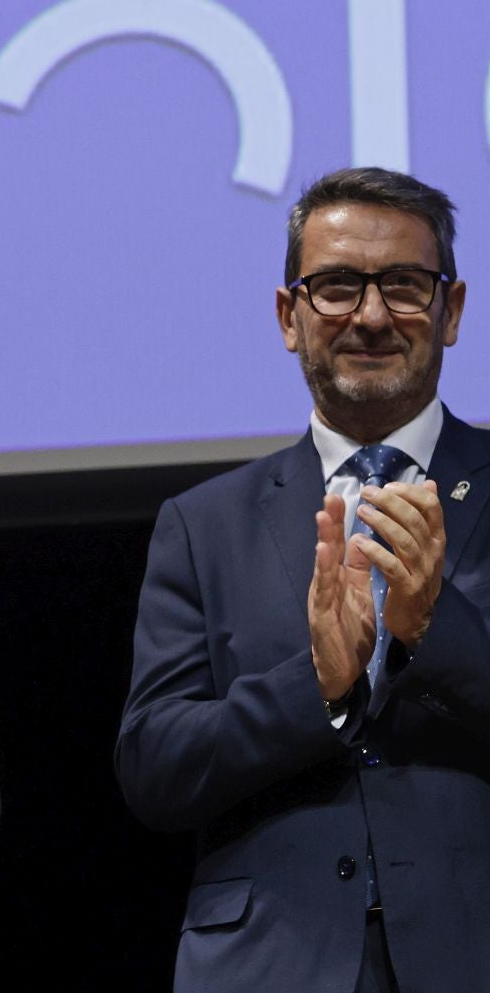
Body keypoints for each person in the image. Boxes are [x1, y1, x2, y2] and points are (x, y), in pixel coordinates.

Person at [117, 167, 490, 992]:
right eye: (334, 287)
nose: (368, 315)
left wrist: (437, 630)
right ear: (290, 316)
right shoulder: (204, 523)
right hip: (270, 960)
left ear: (450, 310)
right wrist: (318, 687)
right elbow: (156, 768)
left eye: (402, 285)